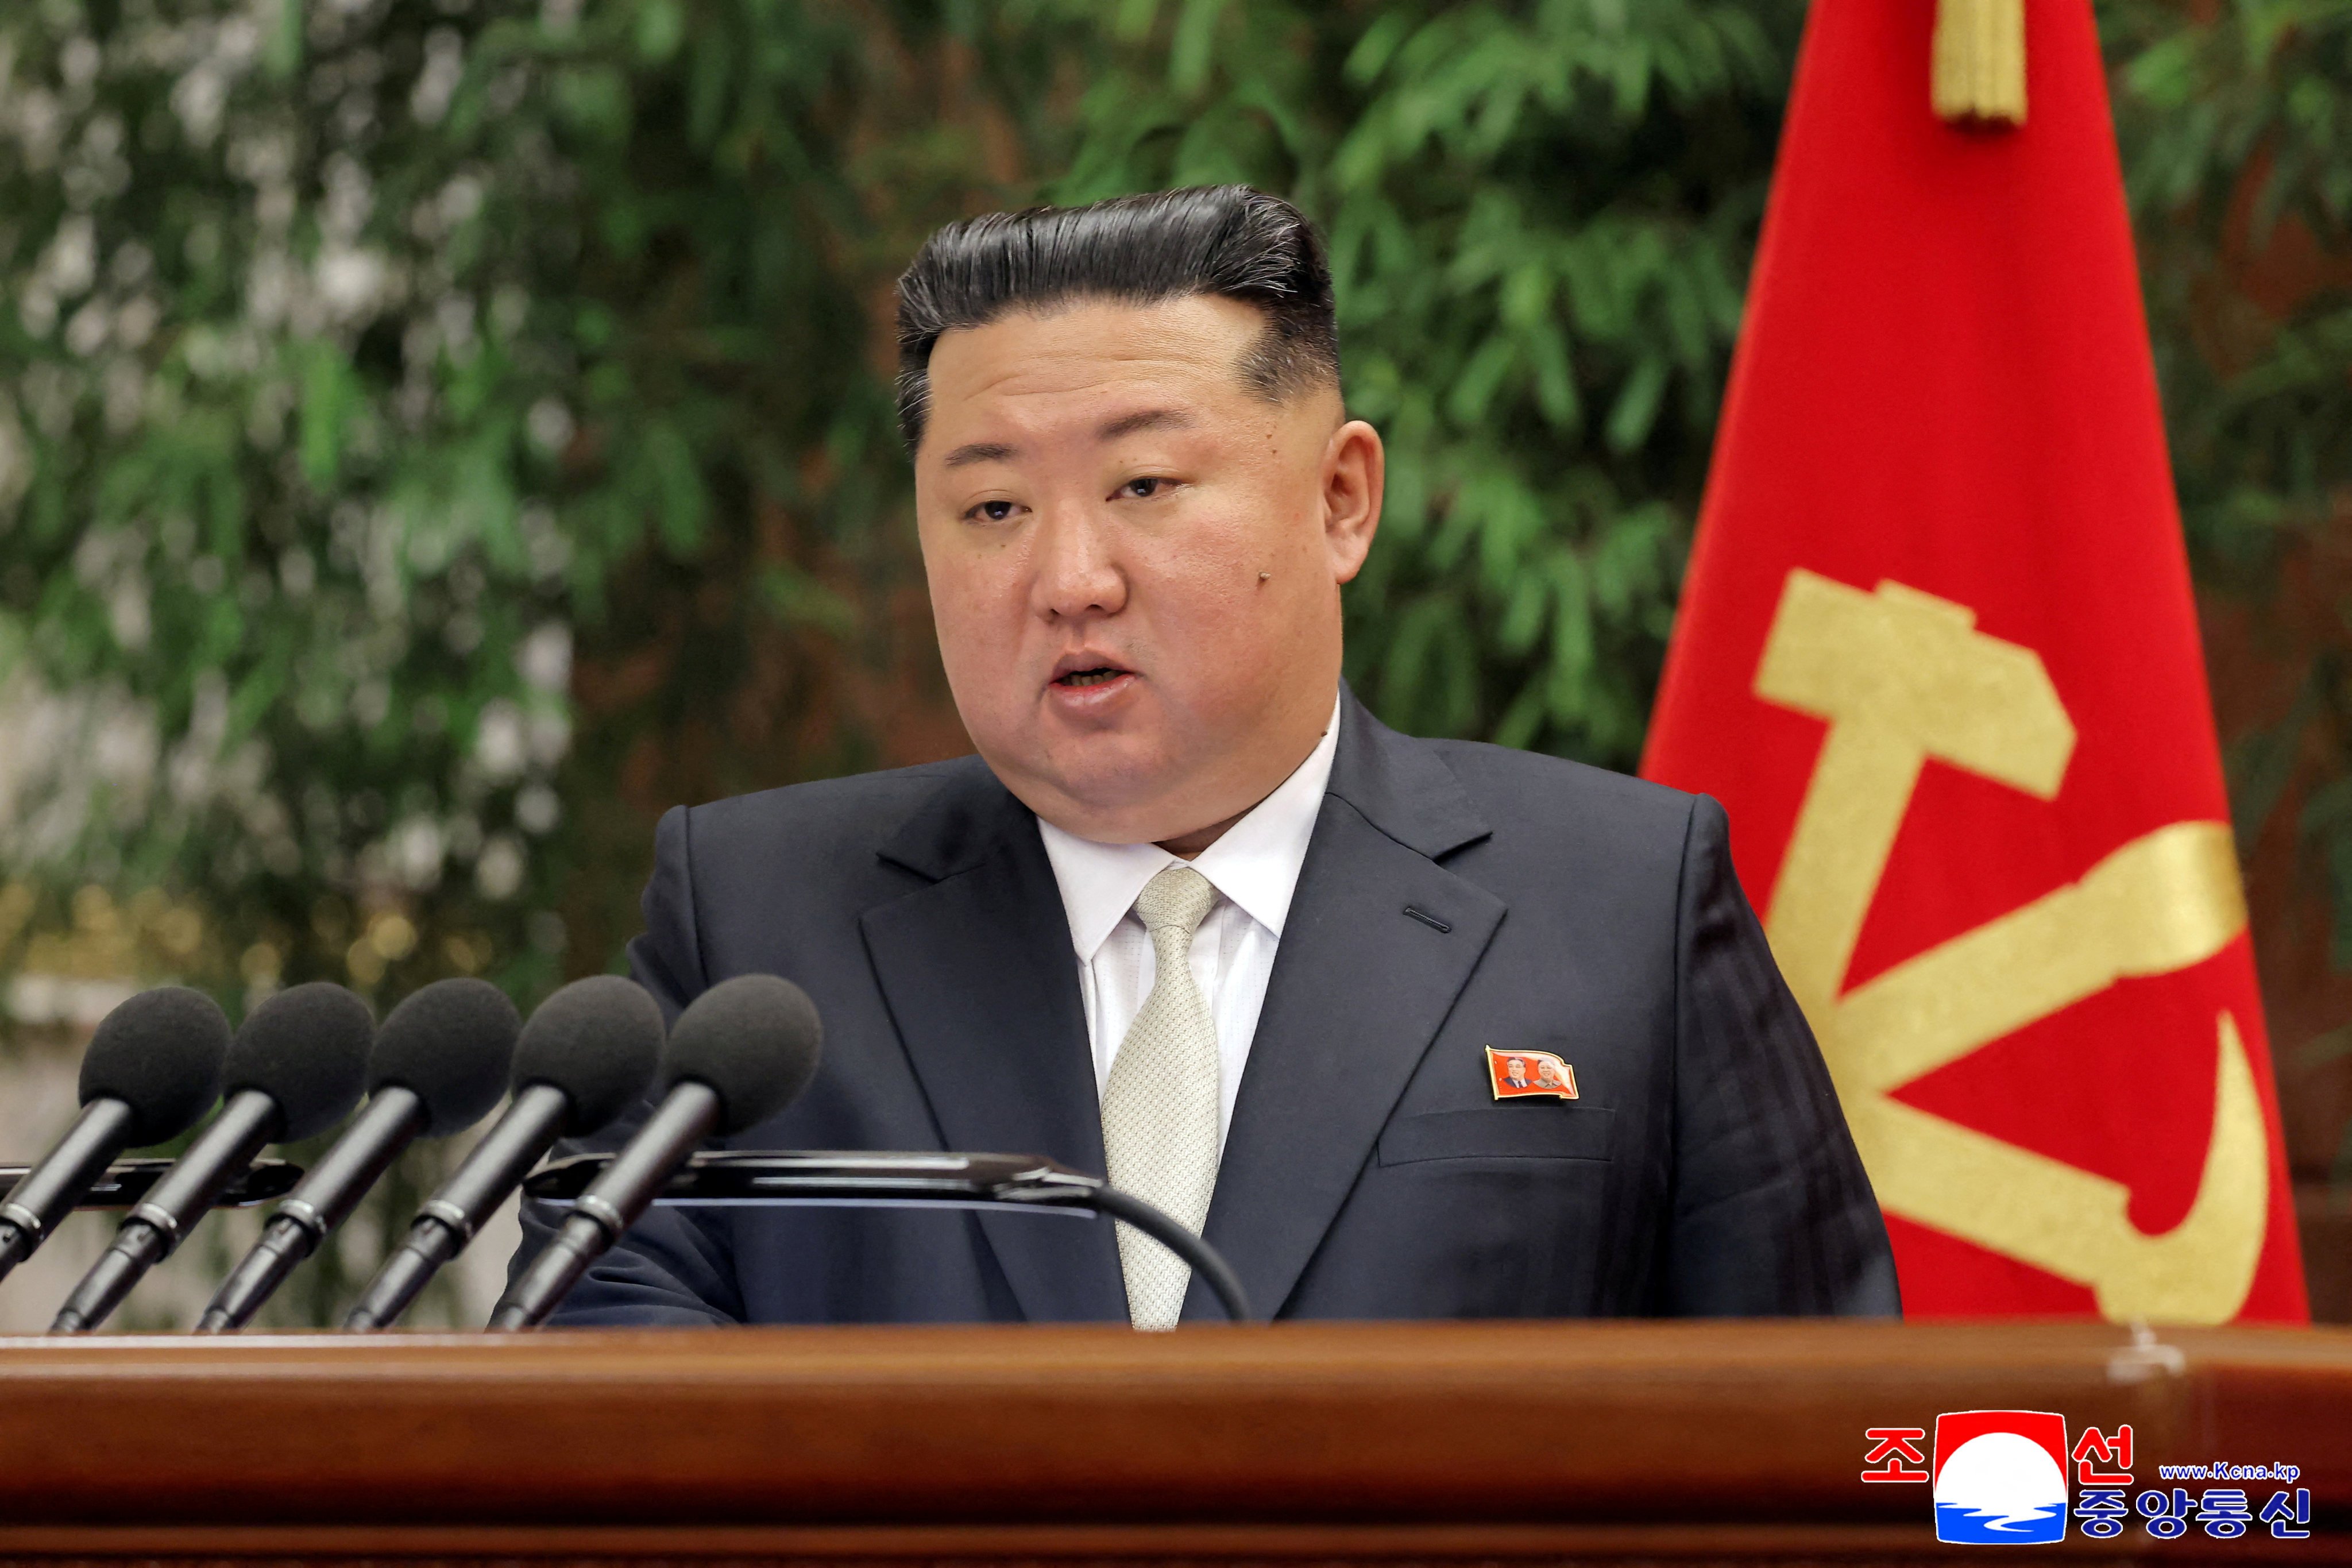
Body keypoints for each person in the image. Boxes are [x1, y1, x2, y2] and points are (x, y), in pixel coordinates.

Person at [516, 186, 1898, 1327]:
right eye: (992, 505)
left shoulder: (1616, 902)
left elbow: (1843, 1434)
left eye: (1143, 488)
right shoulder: (756, 929)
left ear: (1340, 499)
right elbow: (596, 1407)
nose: (1067, 578)